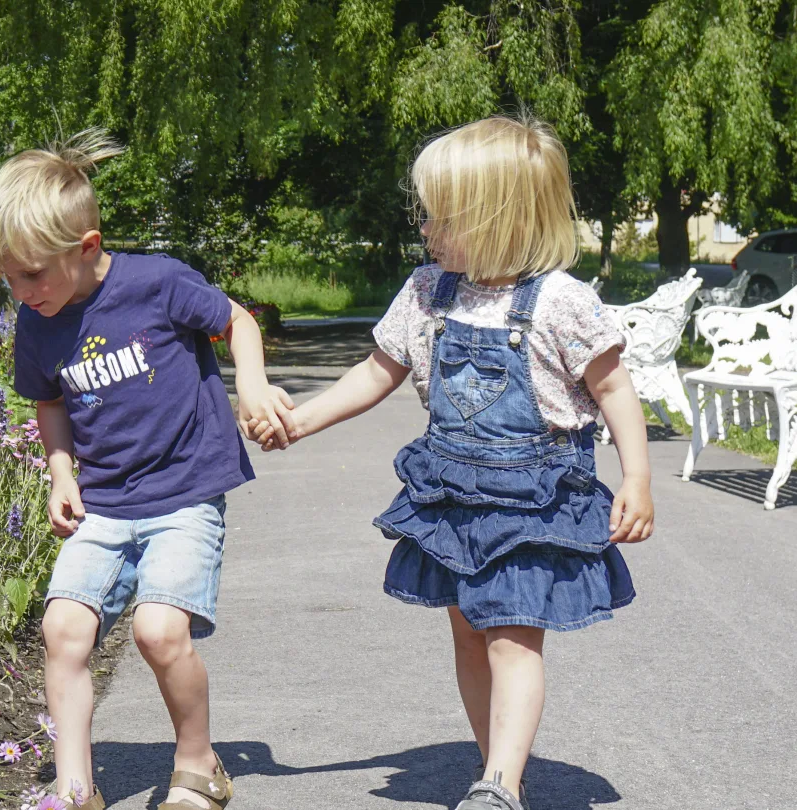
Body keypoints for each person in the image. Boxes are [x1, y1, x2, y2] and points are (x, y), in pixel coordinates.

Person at [252, 115, 652, 810]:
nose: (427, 231)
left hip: (535, 502)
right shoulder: (427, 291)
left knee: (511, 638)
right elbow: (375, 373)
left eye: (441, 218)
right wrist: (300, 422)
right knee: (469, 632)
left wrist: (639, 479)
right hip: (454, 496)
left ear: (497, 220)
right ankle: (498, 767)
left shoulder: (561, 302)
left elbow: (615, 388)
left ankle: (497, 782)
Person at [0, 128, 290, 810]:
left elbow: (237, 321)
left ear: (86, 248)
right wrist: (61, 471)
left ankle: (198, 763)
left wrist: (254, 387)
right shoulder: (38, 321)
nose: (21, 291)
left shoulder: (158, 283)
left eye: (32, 273)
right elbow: (50, 400)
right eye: (9, 277)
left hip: (184, 494)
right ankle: (74, 786)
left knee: (158, 631)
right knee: (62, 629)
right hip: (105, 503)